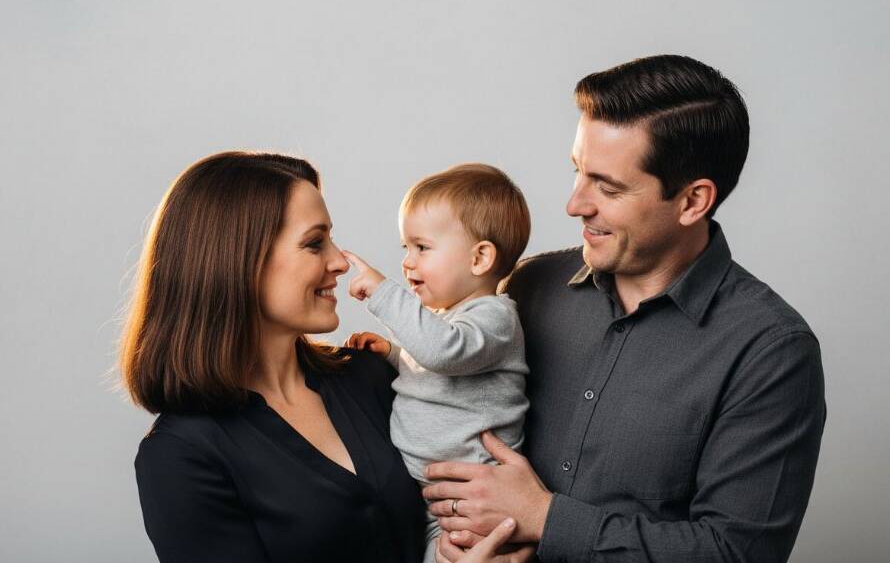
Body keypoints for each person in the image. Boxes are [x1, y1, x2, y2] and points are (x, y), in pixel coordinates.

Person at [424, 55, 826, 563]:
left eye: (607, 187)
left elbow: (736, 553)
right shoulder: (526, 286)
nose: (575, 204)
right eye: (578, 172)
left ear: (692, 201)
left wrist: (547, 518)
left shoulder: (769, 351)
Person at [121, 152, 426, 563]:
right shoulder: (181, 457)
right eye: (314, 243)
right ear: (240, 261)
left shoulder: (371, 374)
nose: (339, 262)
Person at [342, 164, 533, 563]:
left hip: (470, 494)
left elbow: (444, 353)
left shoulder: (494, 317)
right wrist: (394, 354)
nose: (407, 262)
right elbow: (439, 369)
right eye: (404, 249)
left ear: (480, 257)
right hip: (429, 489)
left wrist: (383, 295)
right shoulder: (448, 319)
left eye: (422, 248)